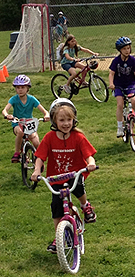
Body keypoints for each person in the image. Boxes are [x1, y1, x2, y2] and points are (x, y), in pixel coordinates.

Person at [31, 99, 97, 253]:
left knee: (78, 186)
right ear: (54, 121)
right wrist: (36, 171)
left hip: (75, 173)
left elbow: (89, 155)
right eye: (62, 120)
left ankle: (84, 205)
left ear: (74, 120)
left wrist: (91, 163)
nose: (66, 123)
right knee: (56, 205)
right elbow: (40, 157)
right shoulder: (49, 138)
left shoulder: (78, 137)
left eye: (69, 119)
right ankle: (58, 237)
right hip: (56, 177)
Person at [2, 75, 50, 163]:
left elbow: (44, 111)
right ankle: (16, 153)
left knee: (35, 142)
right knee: (20, 132)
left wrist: (46, 115)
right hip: (17, 123)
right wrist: (7, 115)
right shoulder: (14, 99)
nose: (20, 90)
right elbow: (5, 110)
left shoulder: (32, 99)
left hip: (29, 123)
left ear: (27, 88)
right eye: (18, 87)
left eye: (23, 87)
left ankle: (39, 160)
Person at [108, 36, 135, 136]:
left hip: (130, 84)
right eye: (124, 49)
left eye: (128, 48)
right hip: (118, 85)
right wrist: (111, 84)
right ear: (120, 50)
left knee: (134, 101)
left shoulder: (133, 60)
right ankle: (120, 127)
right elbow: (111, 73)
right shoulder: (116, 61)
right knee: (120, 104)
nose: (127, 51)